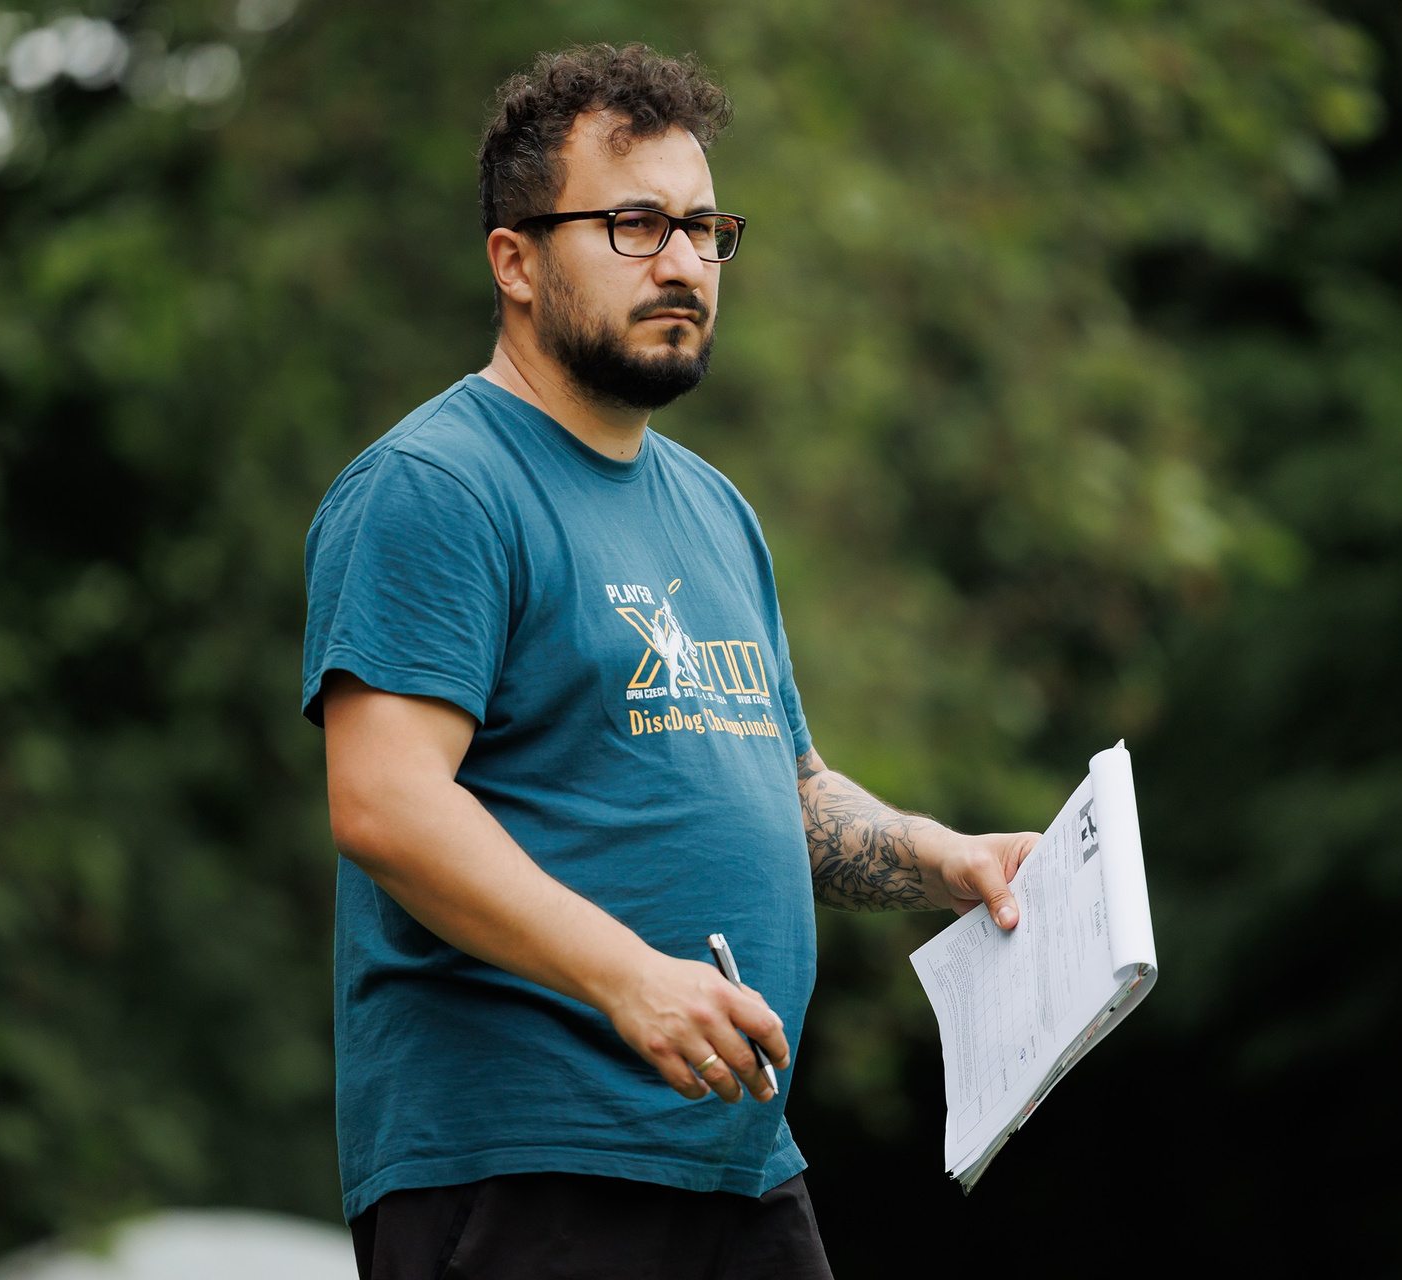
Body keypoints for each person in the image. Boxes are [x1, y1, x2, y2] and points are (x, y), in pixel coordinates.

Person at [303, 43, 1039, 1280]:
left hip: (738, 1165)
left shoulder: (713, 508)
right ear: (515, 260)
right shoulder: (436, 486)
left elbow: (786, 786)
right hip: (526, 1165)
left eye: (704, 228)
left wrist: (943, 857)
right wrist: (630, 979)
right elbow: (384, 803)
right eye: (635, 225)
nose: (685, 263)